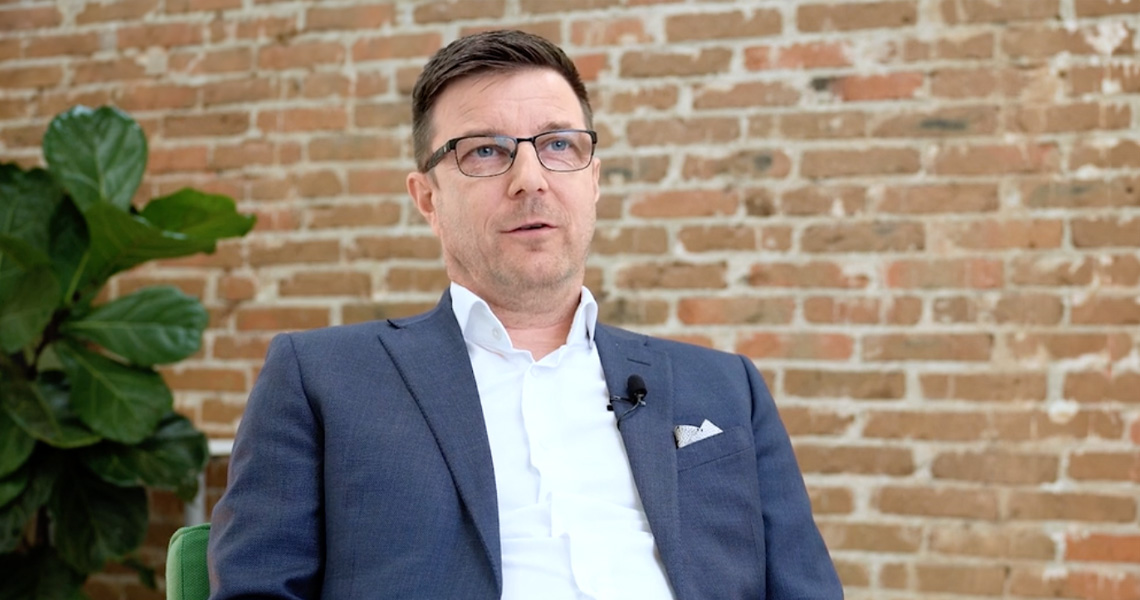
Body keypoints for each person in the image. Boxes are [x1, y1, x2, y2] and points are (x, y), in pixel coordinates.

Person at [208, 30, 842, 599]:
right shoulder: (321, 378)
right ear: (427, 198)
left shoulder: (727, 386)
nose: (530, 178)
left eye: (559, 144)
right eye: (485, 151)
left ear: (593, 180)